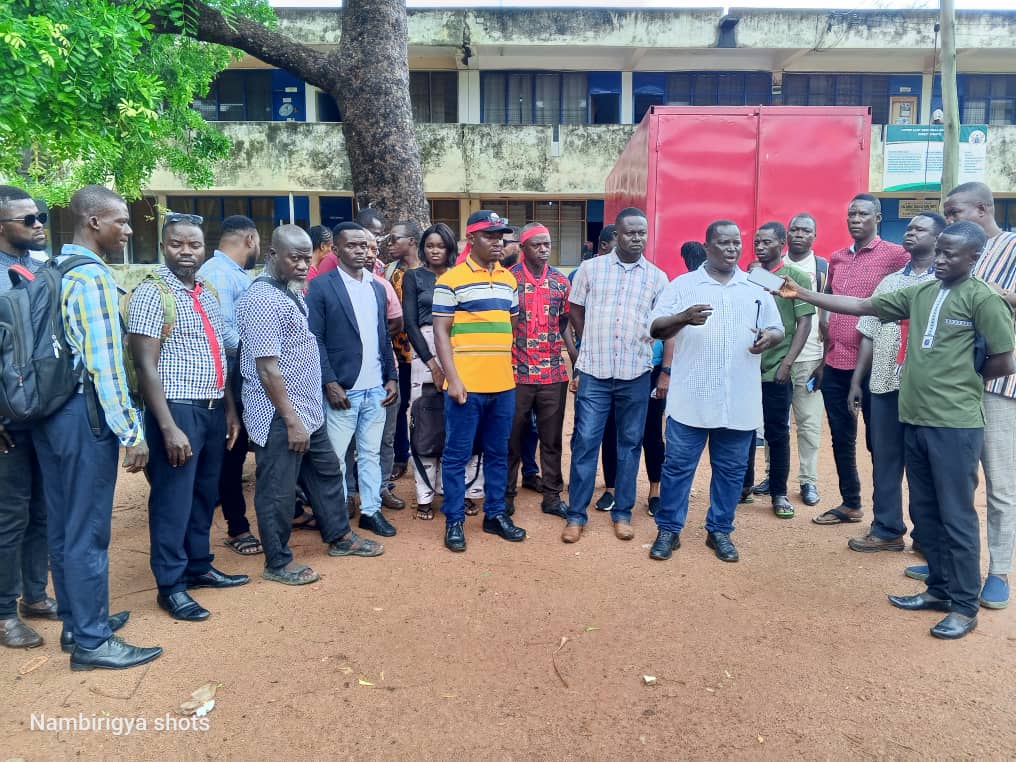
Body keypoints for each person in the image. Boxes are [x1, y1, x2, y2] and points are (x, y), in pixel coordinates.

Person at [778, 221, 1015, 639]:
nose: (940, 259)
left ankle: (964, 605)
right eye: (939, 251)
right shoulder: (922, 292)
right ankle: (939, 589)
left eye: (950, 253)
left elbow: (1004, 359)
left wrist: (962, 380)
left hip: (955, 424)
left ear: (974, 257)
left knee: (956, 515)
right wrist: (803, 294)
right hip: (914, 418)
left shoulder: (983, 299)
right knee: (925, 509)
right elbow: (862, 305)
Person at [31, 185, 160, 670]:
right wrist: (131, 432)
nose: (127, 229)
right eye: (120, 221)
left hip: (50, 413)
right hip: (84, 416)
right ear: (93, 222)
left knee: (64, 526)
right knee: (88, 532)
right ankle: (92, 641)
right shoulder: (92, 277)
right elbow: (104, 365)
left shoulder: (53, 268)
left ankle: (77, 622)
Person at [237, 225, 383, 586]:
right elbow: (267, 368)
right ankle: (277, 561)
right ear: (273, 255)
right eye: (295, 258)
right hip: (280, 415)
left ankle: (339, 536)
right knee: (278, 490)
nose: (304, 265)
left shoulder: (289, 290)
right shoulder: (262, 300)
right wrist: (291, 420)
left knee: (327, 472)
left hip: (307, 410)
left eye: (307, 258)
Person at [128, 213, 248, 622]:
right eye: (177, 244)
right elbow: (145, 366)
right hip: (177, 411)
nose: (186, 251)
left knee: (203, 495)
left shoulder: (206, 291)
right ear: (164, 246)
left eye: (194, 245)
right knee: (172, 500)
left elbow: (219, 354)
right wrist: (167, 426)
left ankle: (198, 566)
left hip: (212, 409)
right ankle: (171, 585)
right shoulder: (152, 293)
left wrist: (229, 409)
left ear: (204, 248)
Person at [647, 220, 784, 563]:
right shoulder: (683, 285)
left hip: (738, 398)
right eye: (724, 243)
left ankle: (720, 530)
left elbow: (778, 328)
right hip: (691, 397)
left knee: (732, 470)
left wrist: (770, 338)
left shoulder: (757, 284)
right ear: (707, 247)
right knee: (677, 467)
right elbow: (655, 327)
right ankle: (669, 530)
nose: (732, 248)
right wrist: (683, 317)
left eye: (736, 242)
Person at [564, 207, 669, 544]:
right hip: (594, 371)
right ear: (616, 235)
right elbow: (575, 308)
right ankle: (576, 516)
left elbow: (664, 323)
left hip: (635, 373)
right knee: (585, 442)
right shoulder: (590, 270)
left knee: (630, 444)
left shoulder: (657, 277)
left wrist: (664, 370)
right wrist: (590, 340)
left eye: (642, 233)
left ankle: (622, 513)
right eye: (630, 233)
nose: (637, 238)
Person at [939, 181, 1016, 608]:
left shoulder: (1012, 247)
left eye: (955, 212)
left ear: (983, 210)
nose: (949, 220)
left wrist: (989, 293)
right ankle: (953, 563)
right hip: (954, 385)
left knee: (1000, 484)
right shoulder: (953, 253)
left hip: (999, 385)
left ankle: (999, 570)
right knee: (956, 479)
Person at [846, 213, 943, 553]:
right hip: (884, 385)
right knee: (885, 459)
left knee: (924, 464)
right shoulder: (888, 283)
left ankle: (926, 537)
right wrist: (857, 380)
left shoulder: (945, 285)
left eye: (920, 229)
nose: (911, 232)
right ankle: (887, 528)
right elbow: (869, 333)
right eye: (909, 228)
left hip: (925, 391)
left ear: (939, 239)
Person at [432, 210, 526, 552]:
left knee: (498, 453)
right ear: (470, 239)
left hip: (502, 385)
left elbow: (510, 325)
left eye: (501, 235)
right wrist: (453, 379)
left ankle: (495, 515)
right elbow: (441, 333)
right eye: (489, 235)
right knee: (457, 455)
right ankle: (454, 520)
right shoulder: (450, 280)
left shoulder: (508, 279)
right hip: (466, 387)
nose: (498, 241)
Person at [814, 194, 908, 526]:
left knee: (878, 443)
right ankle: (850, 503)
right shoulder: (837, 258)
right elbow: (830, 300)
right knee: (841, 437)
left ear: (878, 218)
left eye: (863, 214)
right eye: (851, 213)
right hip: (835, 363)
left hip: (874, 367)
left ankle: (886, 518)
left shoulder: (896, 255)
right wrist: (823, 356)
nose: (855, 219)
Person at [307, 222, 400, 538]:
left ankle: (371, 511)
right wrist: (329, 382)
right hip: (343, 389)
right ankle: (336, 518)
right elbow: (315, 339)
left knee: (370, 454)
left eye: (365, 246)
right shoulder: (321, 287)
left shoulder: (377, 287)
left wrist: (391, 376)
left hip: (376, 389)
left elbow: (383, 336)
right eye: (352, 245)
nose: (361, 251)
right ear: (336, 250)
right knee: (335, 459)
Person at [0, 186, 54, 648]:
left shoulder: (42, 268)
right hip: (7, 421)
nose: (39, 225)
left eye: (40, 217)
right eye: (28, 219)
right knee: (10, 516)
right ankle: (4, 613)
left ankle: (35, 596)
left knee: (42, 510)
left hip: (43, 411)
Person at [403, 223, 485, 519]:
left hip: (461, 350)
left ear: (450, 248)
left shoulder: (462, 275)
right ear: (422, 248)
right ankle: (425, 496)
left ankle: (462, 491)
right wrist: (433, 365)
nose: (435, 251)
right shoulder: (414, 277)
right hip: (424, 354)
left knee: (463, 420)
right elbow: (410, 324)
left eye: (440, 245)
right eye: (429, 246)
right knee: (426, 422)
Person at [197, 215, 262, 556]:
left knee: (236, 450)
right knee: (230, 452)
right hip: (226, 378)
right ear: (250, 239)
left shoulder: (230, 273)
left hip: (237, 375)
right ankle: (237, 527)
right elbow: (222, 334)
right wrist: (260, 350)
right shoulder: (218, 274)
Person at [741, 222, 815, 519]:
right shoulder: (750, 276)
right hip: (747, 365)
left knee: (777, 432)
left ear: (782, 243)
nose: (760, 246)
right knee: (744, 429)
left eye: (767, 242)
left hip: (776, 367)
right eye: (757, 242)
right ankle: (744, 486)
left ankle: (779, 493)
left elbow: (804, 323)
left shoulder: (794, 278)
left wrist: (787, 363)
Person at [505, 223, 577, 519]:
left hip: (552, 374)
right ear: (523, 248)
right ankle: (506, 496)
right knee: (511, 438)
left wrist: (573, 356)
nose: (544, 249)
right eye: (537, 245)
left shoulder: (560, 282)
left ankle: (552, 496)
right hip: (516, 373)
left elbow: (564, 321)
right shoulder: (508, 279)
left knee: (551, 438)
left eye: (547, 244)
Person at [772, 213, 828, 507]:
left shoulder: (822, 269)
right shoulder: (775, 266)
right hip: (777, 357)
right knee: (774, 423)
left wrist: (825, 360)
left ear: (814, 236)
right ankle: (772, 476)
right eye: (794, 229)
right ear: (786, 234)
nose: (799, 234)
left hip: (810, 358)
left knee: (808, 424)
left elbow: (828, 315)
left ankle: (808, 480)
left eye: (806, 230)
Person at [385, 220, 422, 482]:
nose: (390, 244)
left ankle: (428, 455)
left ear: (411, 241)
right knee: (398, 406)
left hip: (427, 353)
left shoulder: (429, 270)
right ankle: (400, 457)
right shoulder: (390, 271)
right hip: (399, 355)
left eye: (394, 239)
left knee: (427, 407)